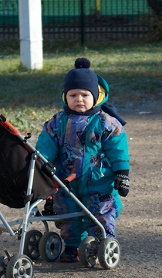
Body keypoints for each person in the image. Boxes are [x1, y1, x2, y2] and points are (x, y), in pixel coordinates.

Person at [36, 57, 130, 262]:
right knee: (67, 212)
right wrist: (44, 163)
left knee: (101, 211)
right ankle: (71, 245)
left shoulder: (106, 122)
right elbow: (46, 145)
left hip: (99, 179)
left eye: (85, 95)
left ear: (96, 96)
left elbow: (118, 148)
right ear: (65, 97)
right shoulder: (57, 122)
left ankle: (101, 241)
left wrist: (122, 172)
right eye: (73, 95)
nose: (79, 99)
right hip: (65, 179)